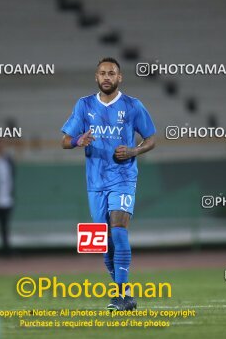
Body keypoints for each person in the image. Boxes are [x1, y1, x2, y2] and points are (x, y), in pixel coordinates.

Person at [60, 57, 156, 311]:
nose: (106, 77)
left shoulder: (133, 106)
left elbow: (151, 138)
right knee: (104, 244)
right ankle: (125, 294)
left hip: (123, 178)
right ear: (96, 77)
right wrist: (78, 141)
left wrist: (134, 152)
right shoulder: (84, 105)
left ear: (119, 77)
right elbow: (64, 140)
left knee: (119, 230)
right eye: (102, 73)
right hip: (95, 181)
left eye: (111, 73)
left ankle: (117, 296)